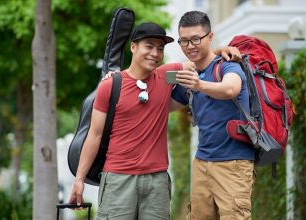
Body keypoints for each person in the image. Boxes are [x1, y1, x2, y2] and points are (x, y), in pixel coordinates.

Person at [68, 21, 241, 219]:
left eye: (160, 48)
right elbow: (95, 135)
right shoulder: (111, 85)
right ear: (133, 47)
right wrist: (79, 180)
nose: (155, 53)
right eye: (149, 46)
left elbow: (202, 60)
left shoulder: (166, 77)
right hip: (118, 179)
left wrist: (222, 50)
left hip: (157, 181)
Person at [171, 11, 255, 220]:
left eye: (196, 39)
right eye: (184, 41)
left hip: (233, 164)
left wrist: (199, 84)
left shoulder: (227, 64)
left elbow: (230, 89)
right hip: (201, 163)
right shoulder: (190, 77)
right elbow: (162, 107)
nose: (190, 46)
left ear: (210, 37)